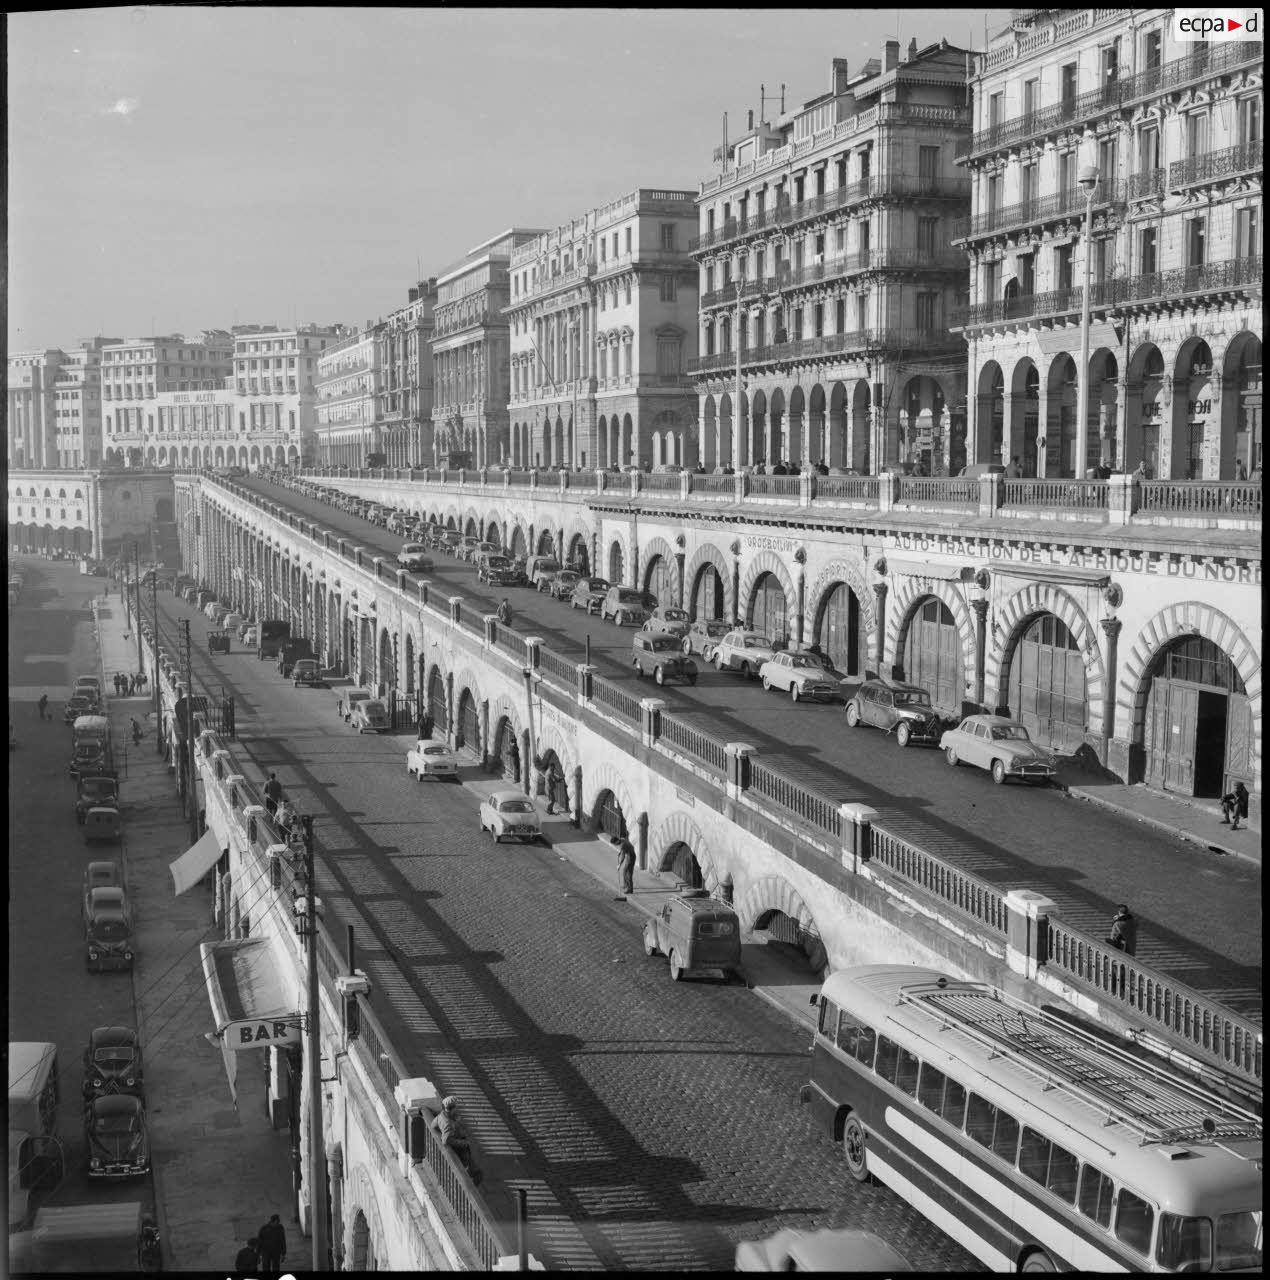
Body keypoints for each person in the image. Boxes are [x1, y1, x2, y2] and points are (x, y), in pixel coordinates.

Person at [437, 1096, 481, 1184]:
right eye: (456, 1106)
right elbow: (446, 1140)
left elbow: (433, 1125)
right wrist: (463, 1143)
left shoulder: (441, 1115)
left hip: (459, 1143)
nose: (458, 1108)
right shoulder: (448, 1123)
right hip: (459, 1149)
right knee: (475, 1173)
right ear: (452, 1108)